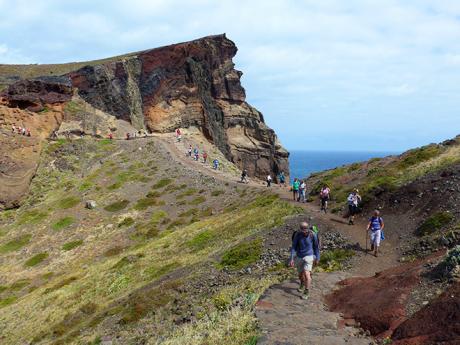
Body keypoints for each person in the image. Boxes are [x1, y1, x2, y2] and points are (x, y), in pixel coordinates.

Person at [289, 222, 320, 300]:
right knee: (300, 275)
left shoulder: (313, 235)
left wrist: (317, 258)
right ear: (300, 229)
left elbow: (316, 247)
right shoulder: (297, 235)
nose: (305, 232)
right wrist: (292, 258)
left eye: (306, 230)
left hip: (309, 256)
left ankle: (306, 291)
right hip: (299, 256)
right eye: (303, 230)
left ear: (308, 228)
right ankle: (302, 283)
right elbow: (293, 247)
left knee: (307, 274)